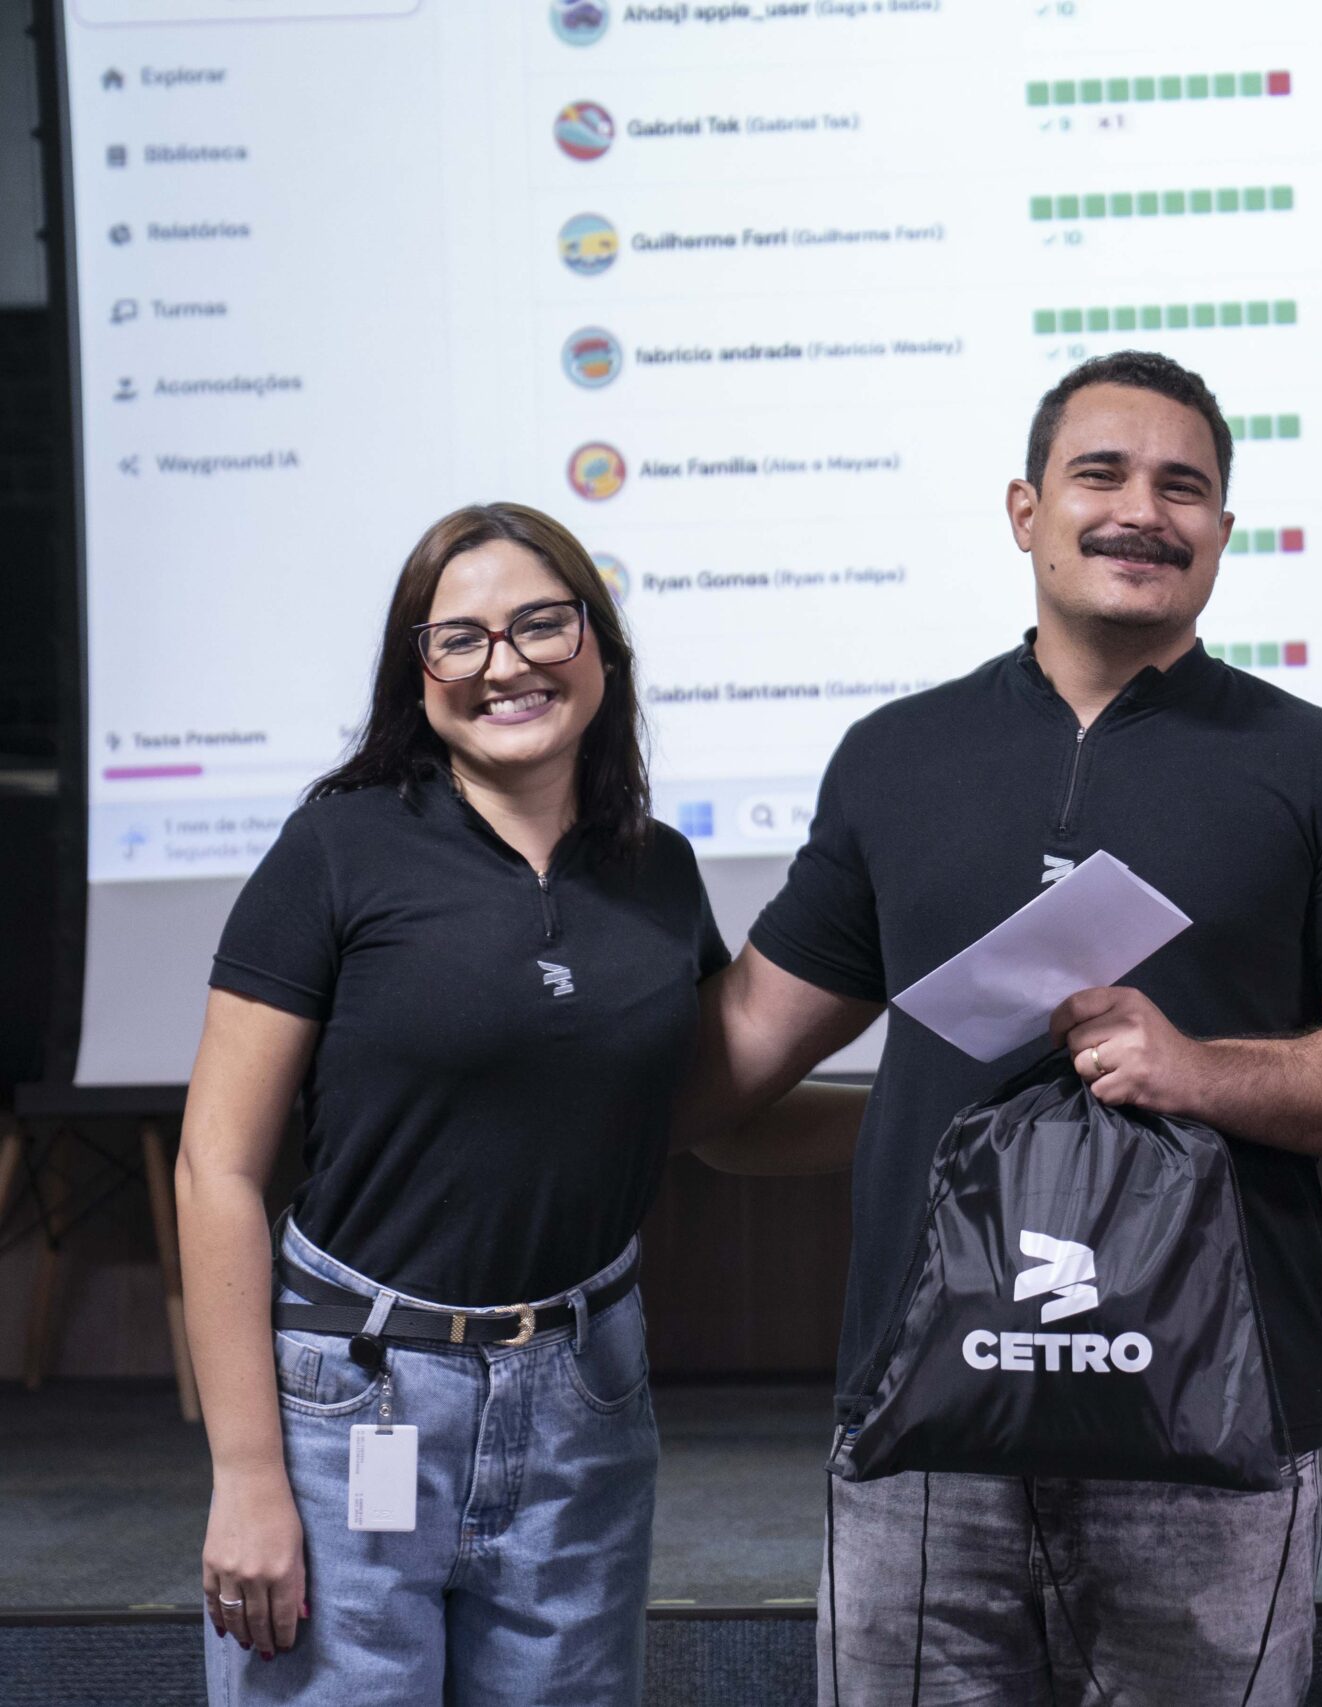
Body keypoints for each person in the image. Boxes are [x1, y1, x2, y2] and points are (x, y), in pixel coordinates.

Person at [683, 349, 1322, 1704]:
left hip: (1211, 1433)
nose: (1143, 509)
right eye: (1100, 473)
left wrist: (1201, 1067)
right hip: (922, 1433)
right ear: (1024, 509)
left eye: (1186, 485)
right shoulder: (898, 757)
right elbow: (737, 1059)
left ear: (1224, 531)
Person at [175, 503, 851, 1702]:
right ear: (416, 674)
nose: (509, 665)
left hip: (583, 1394)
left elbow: (703, 1120)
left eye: (542, 624)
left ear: (599, 644)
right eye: (462, 640)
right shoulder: (338, 849)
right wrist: (246, 1472)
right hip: (355, 1391)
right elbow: (217, 1169)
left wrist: (919, 1112)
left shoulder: (656, 871)